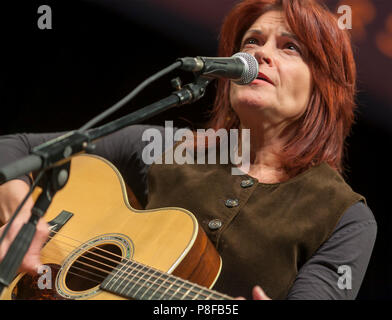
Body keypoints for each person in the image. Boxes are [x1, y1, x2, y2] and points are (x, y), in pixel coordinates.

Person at [0, 0, 377, 300]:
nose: (261, 54)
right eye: (252, 41)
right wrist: (20, 216)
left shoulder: (345, 218)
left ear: (324, 87)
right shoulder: (166, 147)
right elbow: (12, 148)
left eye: (290, 47)